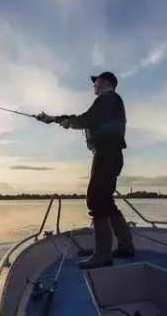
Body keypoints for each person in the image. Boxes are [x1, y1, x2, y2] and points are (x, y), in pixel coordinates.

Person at [36, 71, 135, 269]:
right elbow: (84, 118)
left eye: (96, 82)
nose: (93, 85)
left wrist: (68, 122)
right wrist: (54, 119)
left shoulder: (108, 99)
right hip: (110, 154)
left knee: (96, 200)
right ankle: (125, 247)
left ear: (105, 82)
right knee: (106, 202)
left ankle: (103, 254)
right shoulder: (109, 102)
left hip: (107, 153)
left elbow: (87, 118)